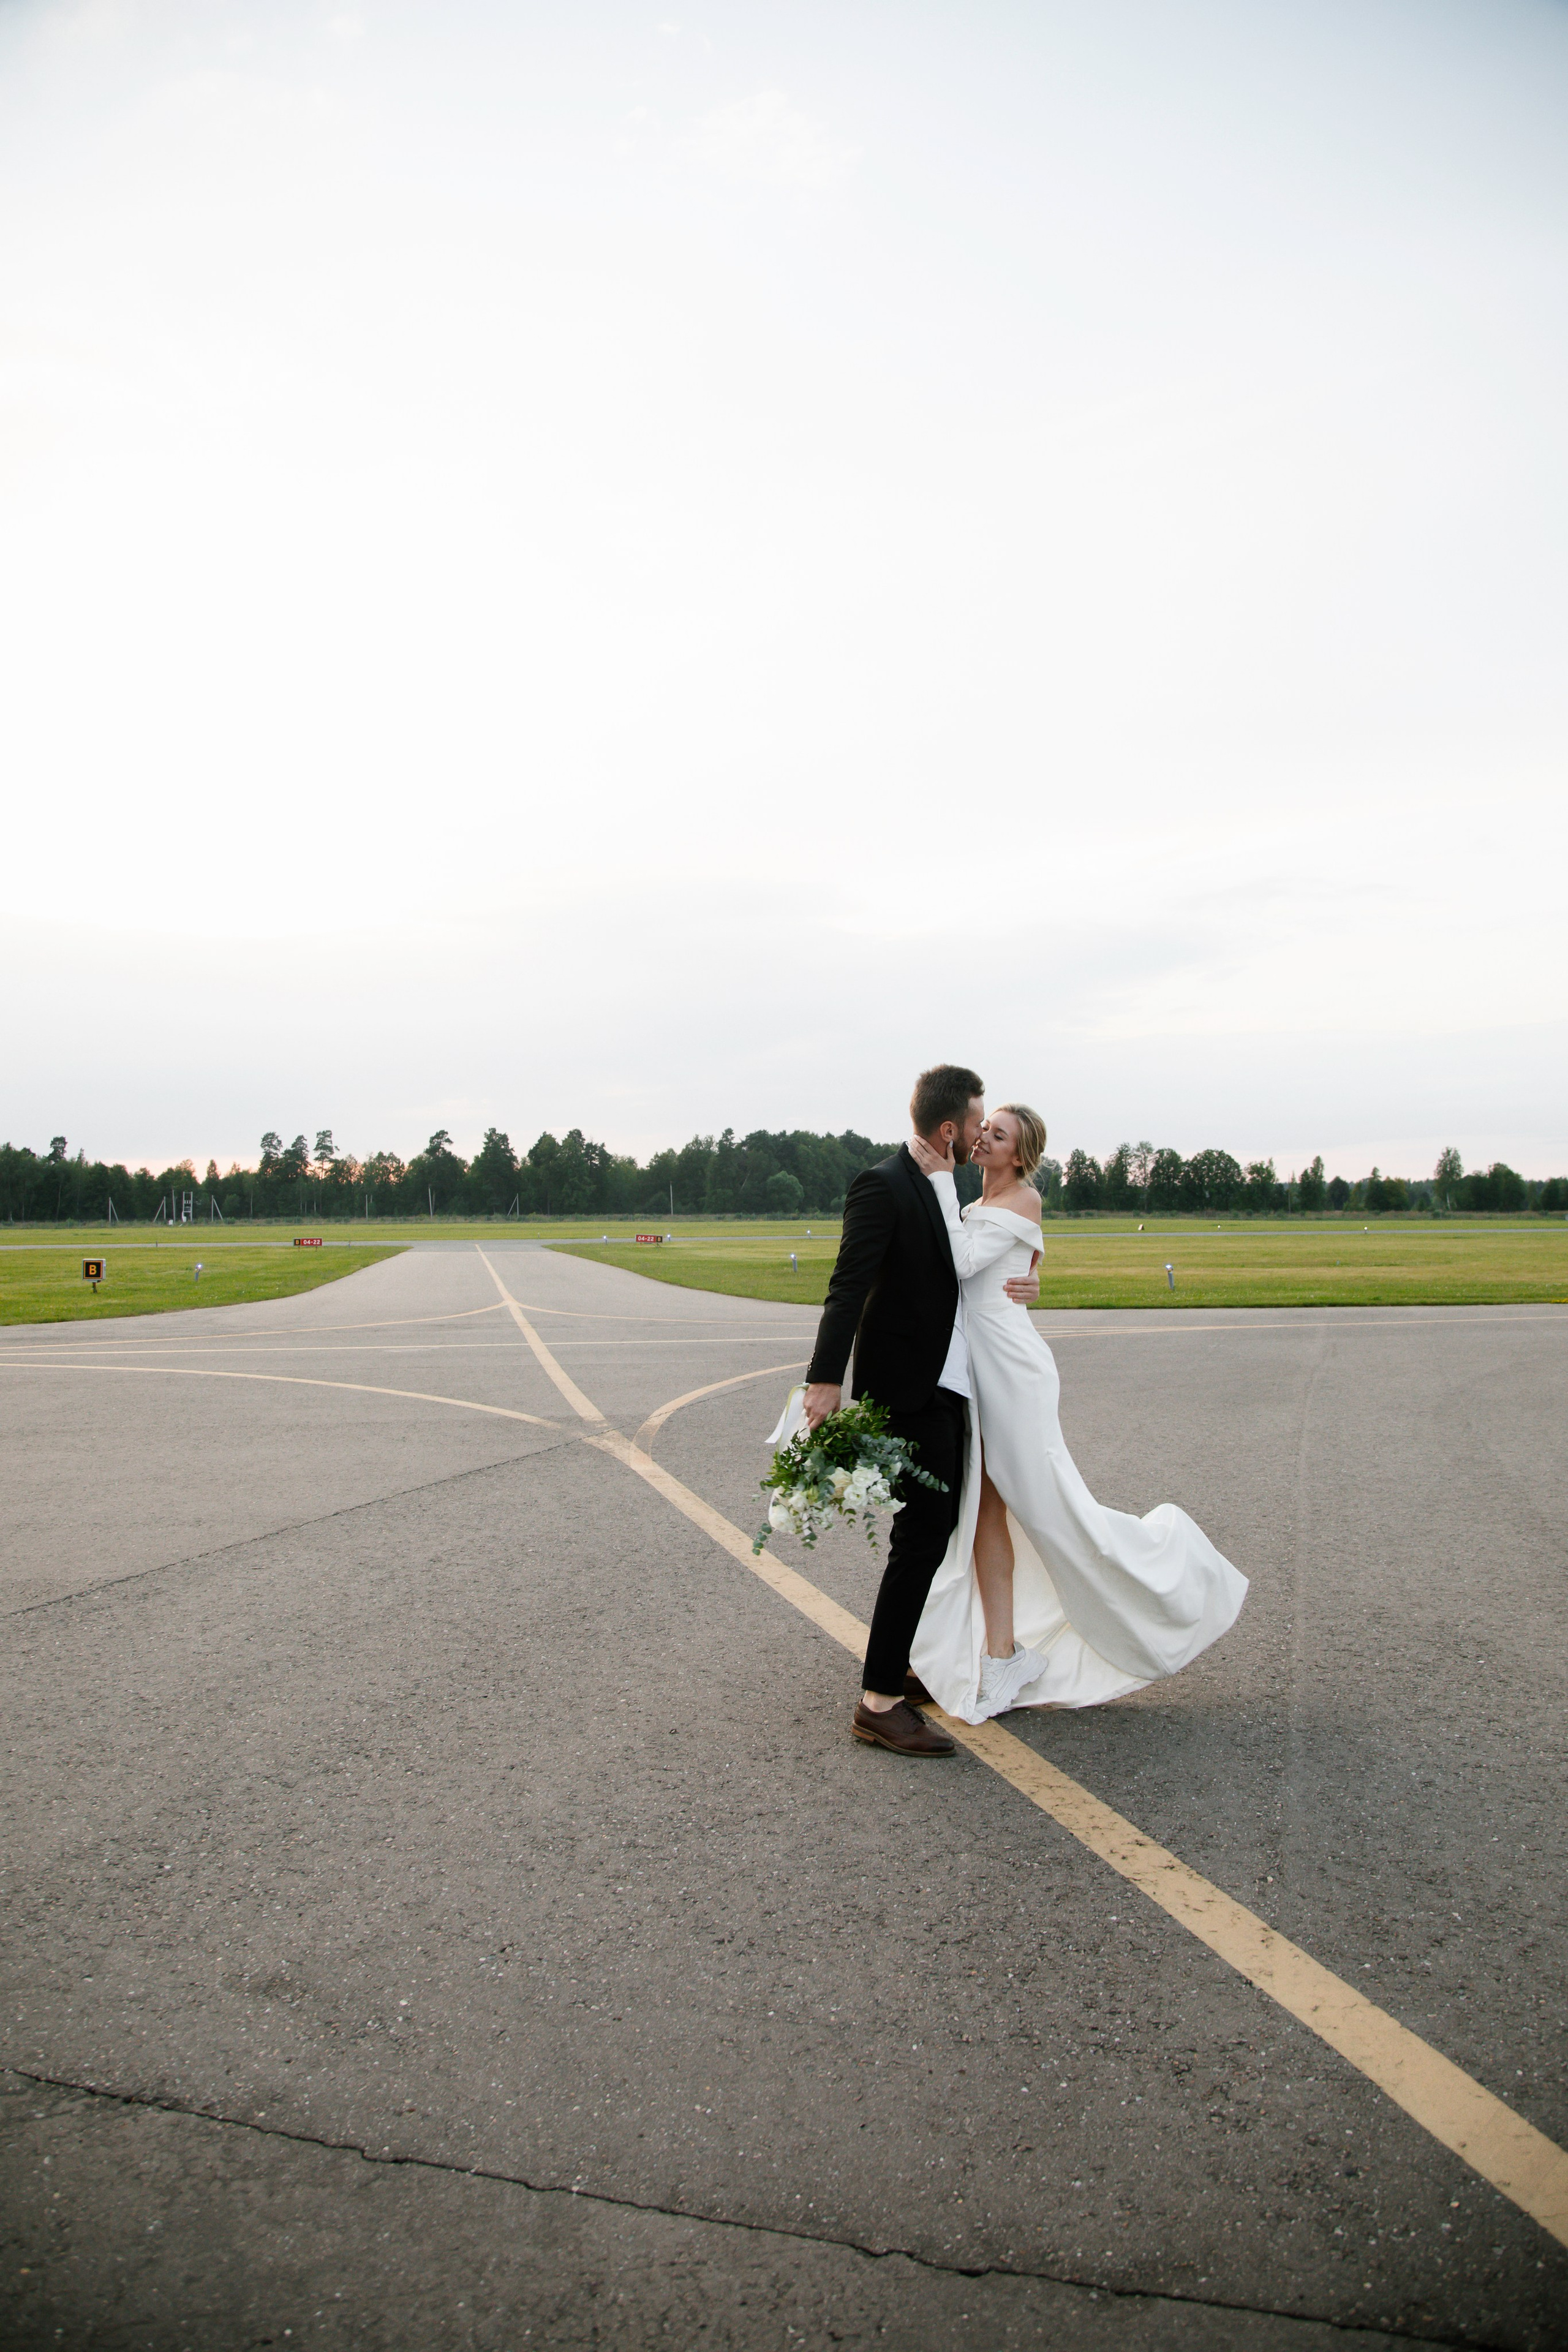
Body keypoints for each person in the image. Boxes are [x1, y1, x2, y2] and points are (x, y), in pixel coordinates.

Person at [906, 1105, 1248, 1722]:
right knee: (984, 1510)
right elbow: (976, 1270)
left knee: (1049, 1509)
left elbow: (960, 1262)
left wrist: (936, 1178)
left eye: (998, 1134)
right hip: (982, 1371)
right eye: (985, 1128)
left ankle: (1175, 1574)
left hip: (1012, 1374)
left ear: (1019, 1155)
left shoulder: (1025, 1199)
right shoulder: (978, 1208)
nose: (984, 1136)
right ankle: (1002, 1653)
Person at [802, 1065, 1042, 1756]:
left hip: (948, 1389)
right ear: (951, 1129)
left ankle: (897, 1670)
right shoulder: (885, 1184)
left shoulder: (947, 1193)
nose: (981, 1132)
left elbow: (973, 1270)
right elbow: (847, 1286)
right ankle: (879, 1699)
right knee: (923, 1533)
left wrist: (1030, 1278)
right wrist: (824, 1380)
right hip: (908, 1389)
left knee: (932, 1532)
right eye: (977, 1123)